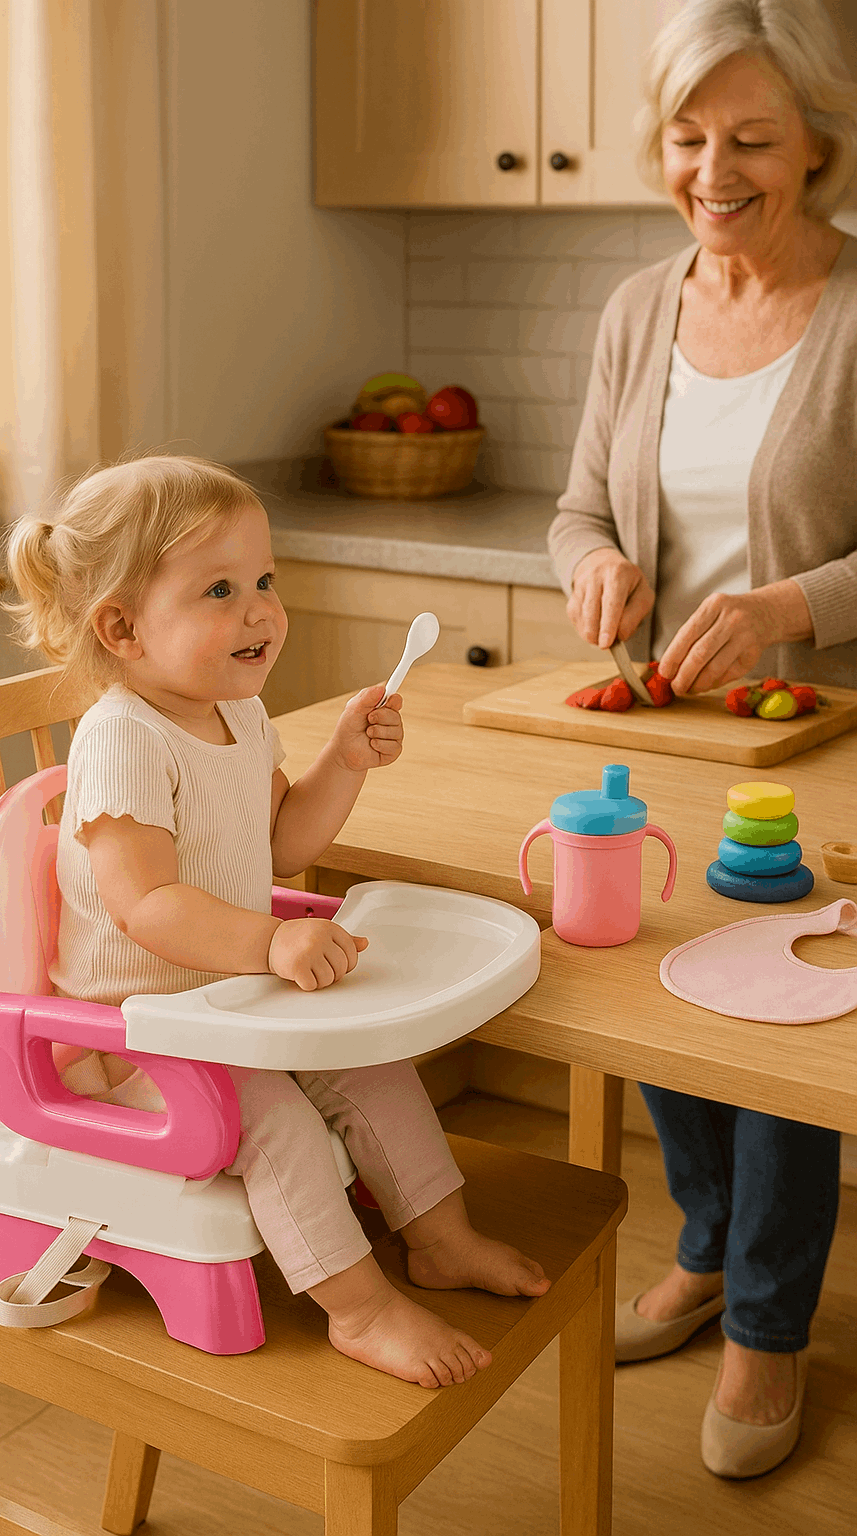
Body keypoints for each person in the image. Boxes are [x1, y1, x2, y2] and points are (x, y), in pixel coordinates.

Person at [2, 453, 551, 1390]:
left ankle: (442, 1240)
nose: (259, 609)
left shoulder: (240, 713)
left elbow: (283, 841)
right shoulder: (121, 737)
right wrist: (269, 942)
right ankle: (361, 1308)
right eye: (220, 589)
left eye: (265, 581)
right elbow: (146, 906)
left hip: (229, 1001)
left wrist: (344, 760)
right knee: (279, 1125)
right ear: (123, 629)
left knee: (373, 1069)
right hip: (137, 1039)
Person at [548, 0, 857, 1480]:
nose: (712, 170)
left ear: (817, 143)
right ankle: (710, 1245)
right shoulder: (634, 309)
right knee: (662, 1000)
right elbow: (579, 510)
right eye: (687, 138)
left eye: (749, 138)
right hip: (667, 738)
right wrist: (591, 567)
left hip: (819, 749)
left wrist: (792, 602)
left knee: (773, 1016)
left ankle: (767, 1326)